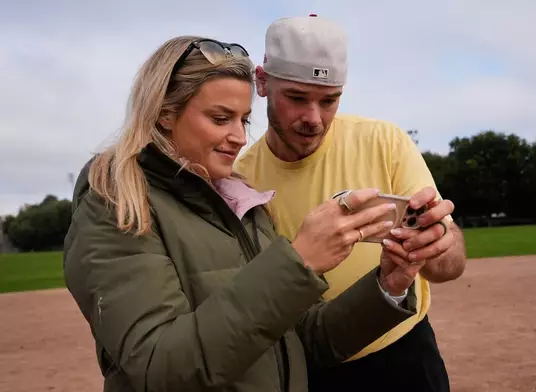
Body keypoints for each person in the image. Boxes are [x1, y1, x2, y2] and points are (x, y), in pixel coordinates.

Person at [62, 35, 428, 392]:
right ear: (164, 115)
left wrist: (388, 284)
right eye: (221, 118)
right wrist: (298, 262)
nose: (239, 136)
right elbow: (161, 367)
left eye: (244, 120)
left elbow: (303, 339)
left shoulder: (242, 201)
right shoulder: (116, 203)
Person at [234, 15, 468, 392]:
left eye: (329, 101)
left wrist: (439, 243)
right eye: (296, 98)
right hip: (307, 368)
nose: (313, 118)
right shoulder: (239, 177)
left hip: (403, 356)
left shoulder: (384, 141)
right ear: (261, 82)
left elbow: (448, 267)